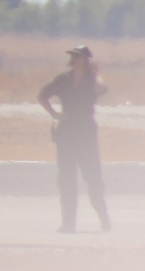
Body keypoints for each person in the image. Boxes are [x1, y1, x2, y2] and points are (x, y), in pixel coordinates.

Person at [38, 45, 110, 233]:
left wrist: (96, 71)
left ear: (87, 61)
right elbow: (42, 95)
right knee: (66, 179)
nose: (74, 60)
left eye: (78, 57)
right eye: (73, 57)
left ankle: (104, 218)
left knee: (93, 178)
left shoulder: (92, 80)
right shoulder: (63, 79)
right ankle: (68, 223)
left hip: (86, 133)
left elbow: (102, 89)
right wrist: (54, 113)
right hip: (66, 134)